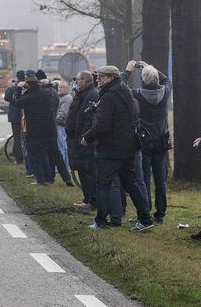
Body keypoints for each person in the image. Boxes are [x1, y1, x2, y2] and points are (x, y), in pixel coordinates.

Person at [81, 65, 154, 231]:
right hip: (128, 147)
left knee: (103, 185)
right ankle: (145, 219)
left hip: (111, 149)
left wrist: (87, 137)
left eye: (101, 77)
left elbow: (103, 124)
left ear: (110, 78)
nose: (97, 79)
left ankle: (100, 221)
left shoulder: (108, 97)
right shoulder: (124, 91)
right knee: (132, 184)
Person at [122, 60, 172, 224]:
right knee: (160, 179)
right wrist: (151, 67)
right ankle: (160, 214)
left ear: (143, 80)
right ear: (157, 79)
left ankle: (145, 211)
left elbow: (119, 90)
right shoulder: (165, 92)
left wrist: (128, 71)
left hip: (143, 141)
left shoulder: (136, 93)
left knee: (143, 179)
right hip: (161, 141)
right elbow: (167, 80)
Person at [10, 73, 73, 186]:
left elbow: (16, 102)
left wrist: (19, 88)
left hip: (34, 131)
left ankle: (41, 179)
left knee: (37, 155)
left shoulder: (28, 98)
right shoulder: (48, 93)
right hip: (50, 128)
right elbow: (56, 102)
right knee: (55, 154)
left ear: (27, 85)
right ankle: (66, 178)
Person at [65, 70, 98, 209]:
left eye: (78, 79)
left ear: (84, 80)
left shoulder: (91, 94)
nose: (76, 82)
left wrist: (84, 136)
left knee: (88, 172)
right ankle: (87, 198)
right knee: (82, 170)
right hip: (77, 139)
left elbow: (89, 119)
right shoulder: (81, 94)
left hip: (85, 141)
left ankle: (91, 201)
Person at [4, 70, 26, 164]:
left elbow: (6, 97)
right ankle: (22, 155)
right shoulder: (26, 86)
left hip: (14, 115)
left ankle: (18, 157)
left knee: (17, 137)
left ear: (17, 77)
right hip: (24, 115)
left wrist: (11, 86)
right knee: (25, 136)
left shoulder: (14, 87)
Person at [55, 80, 73, 173]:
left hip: (61, 125)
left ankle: (62, 167)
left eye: (63, 87)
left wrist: (55, 120)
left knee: (62, 146)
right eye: (59, 87)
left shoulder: (67, 98)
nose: (60, 89)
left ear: (67, 89)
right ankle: (65, 167)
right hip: (60, 125)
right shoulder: (61, 97)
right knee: (62, 146)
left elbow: (63, 113)